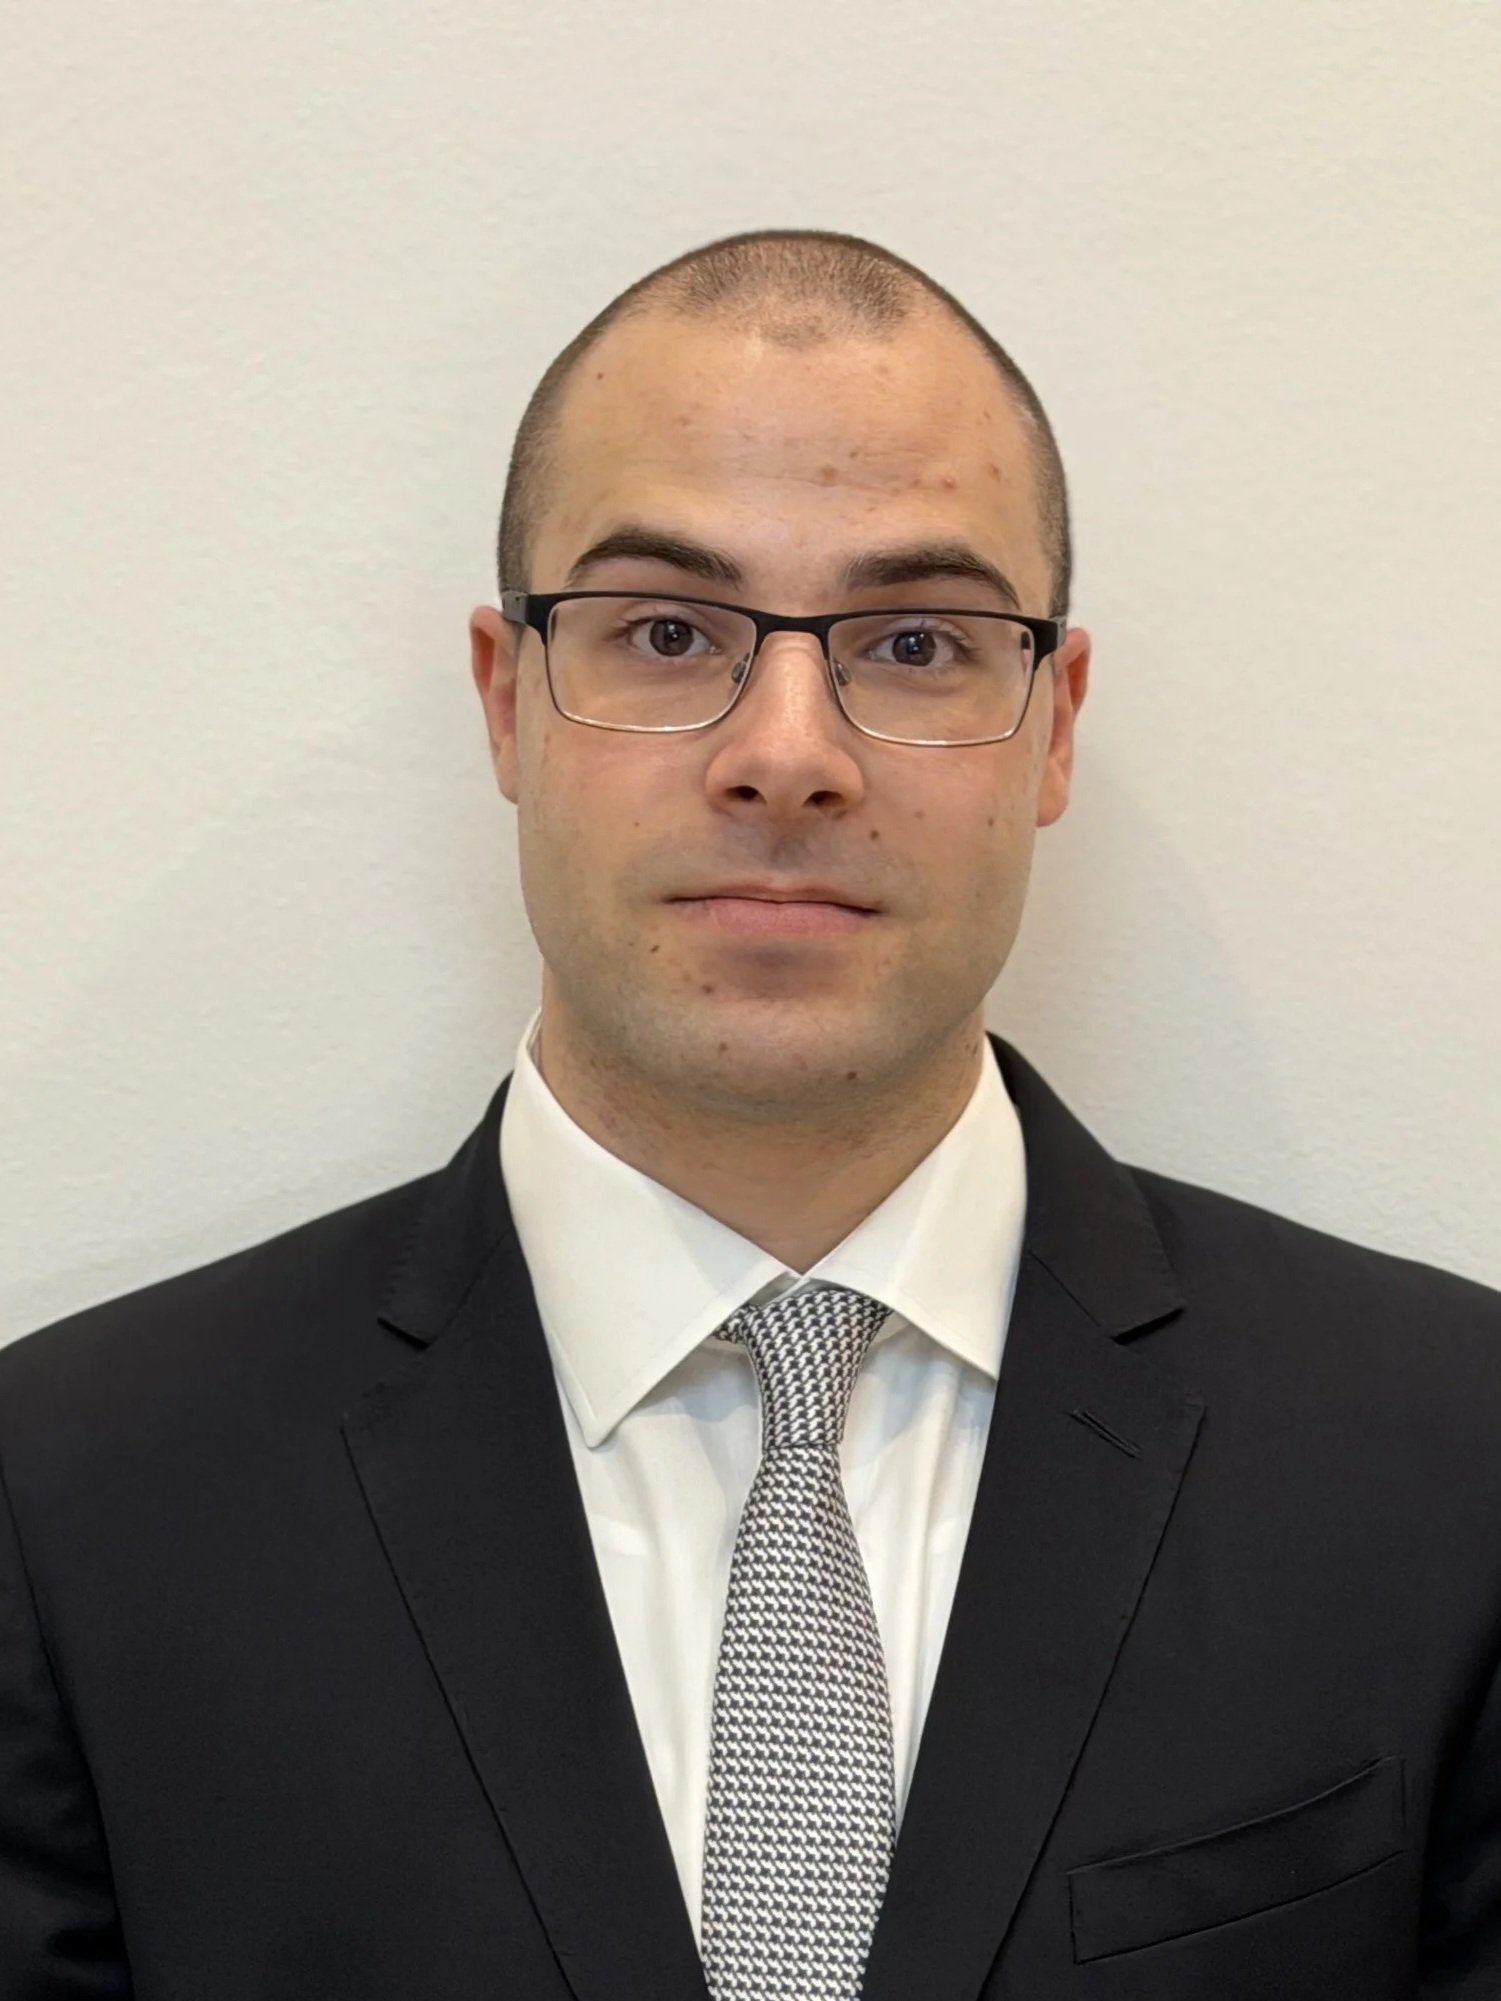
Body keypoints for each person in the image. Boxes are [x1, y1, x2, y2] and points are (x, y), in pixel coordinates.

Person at [1, 227, 1497, 2001]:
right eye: (661, 629)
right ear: (506, 698)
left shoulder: (1452, 1463)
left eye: (918, 640)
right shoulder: (72, 1505)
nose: (787, 749)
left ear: (1053, 725)